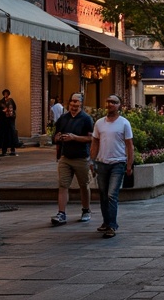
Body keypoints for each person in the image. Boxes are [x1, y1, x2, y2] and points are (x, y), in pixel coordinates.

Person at [90, 94, 134, 239]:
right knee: (103, 195)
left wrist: (129, 164)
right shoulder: (99, 123)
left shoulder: (124, 123)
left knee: (111, 195)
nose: (110, 104)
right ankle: (106, 222)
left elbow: (129, 145)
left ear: (119, 105)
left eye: (114, 102)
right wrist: (92, 160)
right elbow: (95, 142)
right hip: (102, 163)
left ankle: (112, 225)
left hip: (118, 162)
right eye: (108, 101)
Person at [51, 93, 94, 227]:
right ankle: (61, 213)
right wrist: (57, 139)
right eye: (72, 101)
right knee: (63, 185)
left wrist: (74, 137)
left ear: (81, 103)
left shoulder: (86, 119)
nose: (74, 104)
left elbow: (91, 138)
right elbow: (55, 136)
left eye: (77, 101)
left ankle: (86, 210)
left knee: (84, 185)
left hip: (81, 157)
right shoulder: (63, 118)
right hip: (65, 157)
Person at [0, 89, 18, 157]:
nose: (6, 94)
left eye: (7, 93)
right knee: (4, 135)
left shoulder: (11, 100)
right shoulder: (1, 101)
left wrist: (9, 111)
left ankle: (12, 149)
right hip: (3, 120)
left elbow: (14, 107)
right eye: (4, 93)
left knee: (12, 134)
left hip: (10, 120)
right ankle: (4, 150)